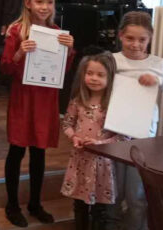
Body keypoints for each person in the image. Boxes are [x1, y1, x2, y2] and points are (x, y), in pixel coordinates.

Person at [0, 0, 75, 227]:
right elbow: (6, 68)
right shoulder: (17, 31)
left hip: (45, 99)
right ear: (28, 3)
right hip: (24, 98)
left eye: (50, 2)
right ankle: (12, 204)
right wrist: (20, 53)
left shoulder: (57, 33)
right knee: (17, 149)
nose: (45, 7)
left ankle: (35, 203)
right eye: (40, 1)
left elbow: (63, 70)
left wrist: (69, 50)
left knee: (39, 151)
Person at [107, 11, 163, 230]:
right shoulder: (111, 60)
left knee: (136, 196)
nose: (136, 44)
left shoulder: (158, 64)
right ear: (120, 35)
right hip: (112, 134)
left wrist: (160, 81)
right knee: (113, 192)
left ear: (150, 38)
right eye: (130, 38)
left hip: (143, 136)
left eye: (142, 39)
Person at [61, 52, 127, 230]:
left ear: (110, 77)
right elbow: (67, 124)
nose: (94, 78)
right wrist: (74, 137)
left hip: (103, 164)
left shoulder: (114, 105)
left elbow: (122, 137)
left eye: (100, 75)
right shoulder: (78, 101)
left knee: (100, 209)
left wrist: (99, 144)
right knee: (79, 205)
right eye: (90, 73)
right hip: (79, 161)